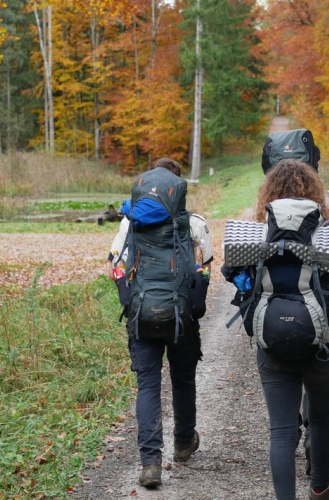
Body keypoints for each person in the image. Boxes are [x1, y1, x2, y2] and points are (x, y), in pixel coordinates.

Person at [249, 159, 329, 500]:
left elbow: (243, 291)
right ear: (315, 193)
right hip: (324, 347)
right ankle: (320, 490)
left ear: (269, 194)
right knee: (320, 420)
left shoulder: (257, 235)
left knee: (280, 431)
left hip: (272, 344)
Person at [108, 158, 212, 489]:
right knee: (183, 380)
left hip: (141, 315)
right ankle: (183, 444)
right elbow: (205, 269)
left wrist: (128, 300)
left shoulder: (130, 223)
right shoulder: (194, 223)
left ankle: (150, 463)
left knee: (149, 386)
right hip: (181, 317)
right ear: (178, 190)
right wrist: (196, 307)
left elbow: (116, 266)